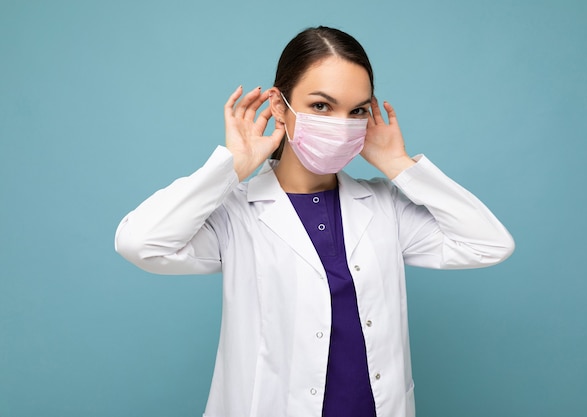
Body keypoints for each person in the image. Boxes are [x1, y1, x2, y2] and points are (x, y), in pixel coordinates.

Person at [115, 26, 514, 417]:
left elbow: (489, 244)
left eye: (356, 110)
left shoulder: (384, 206)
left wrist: (398, 165)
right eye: (321, 106)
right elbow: (141, 243)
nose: (341, 124)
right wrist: (231, 169)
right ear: (278, 106)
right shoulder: (235, 213)